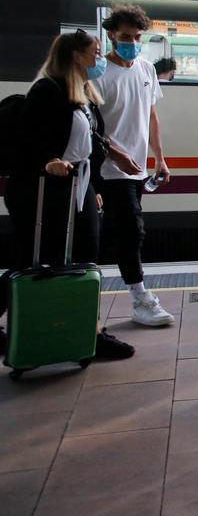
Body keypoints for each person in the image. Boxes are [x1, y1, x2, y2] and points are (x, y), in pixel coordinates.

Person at [2, 29, 140, 360]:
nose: (99, 58)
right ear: (75, 55)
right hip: (41, 191)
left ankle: (87, 332)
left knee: (83, 260)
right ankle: (66, 331)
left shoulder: (82, 93)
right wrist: (48, 161)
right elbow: (29, 138)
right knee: (33, 262)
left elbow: (91, 137)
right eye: (94, 52)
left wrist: (97, 179)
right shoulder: (46, 90)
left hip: (79, 187)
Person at [92, 5, 175, 327]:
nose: (132, 42)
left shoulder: (145, 69)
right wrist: (116, 155)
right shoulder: (97, 74)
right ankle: (141, 300)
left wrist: (159, 158)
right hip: (108, 170)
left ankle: (77, 297)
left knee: (110, 234)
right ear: (111, 35)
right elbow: (91, 126)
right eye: (126, 36)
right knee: (130, 232)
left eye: (137, 37)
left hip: (137, 169)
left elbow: (151, 115)